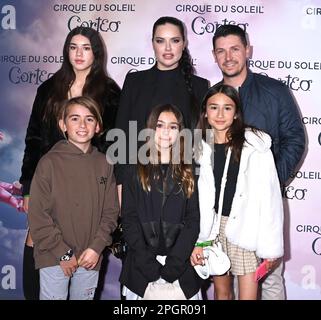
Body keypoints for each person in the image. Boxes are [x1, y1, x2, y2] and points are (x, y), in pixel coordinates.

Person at [19, 26, 120, 300]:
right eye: (73, 47)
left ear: (96, 53)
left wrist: (114, 185)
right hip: (50, 179)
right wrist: (28, 187)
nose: (79, 53)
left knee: (86, 247)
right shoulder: (49, 88)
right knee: (39, 237)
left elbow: (115, 144)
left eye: (86, 47)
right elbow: (33, 138)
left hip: (91, 180)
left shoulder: (110, 92)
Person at [211, 25, 305, 300]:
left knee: (269, 279)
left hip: (264, 209)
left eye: (235, 49)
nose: (228, 56)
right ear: (214, 55)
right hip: (222, 210)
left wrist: (270, 184)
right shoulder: (210, 97)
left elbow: (295, 140)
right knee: (225, 283)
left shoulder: (274, 91)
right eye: (221, 50)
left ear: (248, 50)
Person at [191, 84, 284, 300]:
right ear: (205, 111)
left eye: (227, 108)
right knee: (222, 294)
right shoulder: (198, 147)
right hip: (212, 227)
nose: (220, 114)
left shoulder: (255, 146)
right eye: (214, 107)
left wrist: (270, 248)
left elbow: (270, 199)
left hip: (245, 228)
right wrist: (197, 239)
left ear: (236, 113)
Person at [27, 96, 119, 300]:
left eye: (89, 119)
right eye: (75, 118)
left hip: (90, 257)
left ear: (98, 127)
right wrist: (63, 253)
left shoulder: (105, 163)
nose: (82, 125)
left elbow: (111, 212)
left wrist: (96, 248)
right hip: (54, 256)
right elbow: (38, 216)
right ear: (63, 124)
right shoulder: (49, 162)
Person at [114, 16, 209, 189]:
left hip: (184, 184)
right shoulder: (134, 82)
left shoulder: (200, 86)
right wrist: (120, 183)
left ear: (184, 43)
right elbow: (122, 134)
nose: (167, 48)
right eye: (160, 41)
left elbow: (201, 141)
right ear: (152, 43)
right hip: (138, 182)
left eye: (174, 40)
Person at [120, 104, 201, 300]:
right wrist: (149, 266)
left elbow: (193, 220)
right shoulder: (133, 169)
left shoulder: (189, 172)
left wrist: (174, 265)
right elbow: (129, 219)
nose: (166, 131)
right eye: (159, 125)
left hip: (180, 269)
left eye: (173, 126)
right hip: (140, 270)